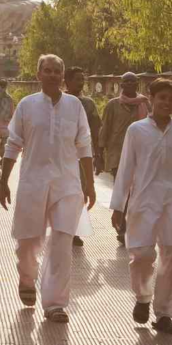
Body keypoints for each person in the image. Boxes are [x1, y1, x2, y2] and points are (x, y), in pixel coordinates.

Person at [0, 54, 95, 323]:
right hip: (33, 182)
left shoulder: (74, 106)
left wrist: (89, 183)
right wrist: (4, 180)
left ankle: (55, 304)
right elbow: (13, 144)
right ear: (39, 74)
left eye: (57, 71)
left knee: (62, 243)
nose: (53, 75)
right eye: (48, 70)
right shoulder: (27, 106)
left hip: (67, 185)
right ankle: (27, 278)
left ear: (62, 76)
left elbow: (84, 145)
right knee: (27, 243)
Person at [110, 78, 172, 335]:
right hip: (143, 201)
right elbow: (126, 169)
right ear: (151, 99)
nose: (166, 103)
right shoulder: (136, 130)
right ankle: (143, 297)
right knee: (141, 254)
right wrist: (118, 205)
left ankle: (164, 314)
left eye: (171, 99)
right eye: (161, 97)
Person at [99, 72, 151, 244]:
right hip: (117, 153)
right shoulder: (113, 105)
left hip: (141, 154)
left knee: (137, 191)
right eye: (126, 81)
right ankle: (123, 228)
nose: (129, 84)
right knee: (123, 190)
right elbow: (105, 128)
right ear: (121, 85)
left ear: (137, 84)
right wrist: (99, 154)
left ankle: (132, 226)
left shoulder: (144, 104)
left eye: (132, 81)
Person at [65, 66, 102, 248]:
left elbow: (96, 130)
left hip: (83, 155)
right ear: (67, 81)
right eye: (77, 79)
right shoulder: (59, 102)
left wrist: (99, 154)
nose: (80, 83)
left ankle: (75, 230)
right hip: (63, 156)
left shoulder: (88, 104)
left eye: (82, 79)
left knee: (81, 191)